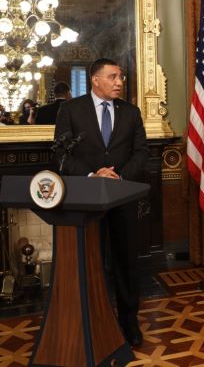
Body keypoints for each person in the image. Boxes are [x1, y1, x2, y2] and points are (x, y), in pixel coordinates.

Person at [54, 57, 149, 347]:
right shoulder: (71, 110)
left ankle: (129, 322)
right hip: (87, 200)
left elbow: (141, 152)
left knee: (126, 262)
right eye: (113, 77)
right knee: (90, 262)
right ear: (95, 80)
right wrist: (92, 174)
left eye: (120, 77)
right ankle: (92, 320)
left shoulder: (131, 113)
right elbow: (61, 154)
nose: (119, 82)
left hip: (122, 198)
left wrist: (118, 177)